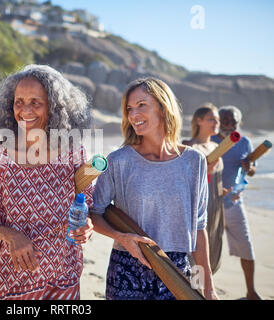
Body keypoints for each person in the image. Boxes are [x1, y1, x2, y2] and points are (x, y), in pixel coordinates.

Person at [0, 64, 94, 300]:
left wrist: (87, 227)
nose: (25, 110)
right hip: (15, 278)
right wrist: (12, 235)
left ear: (55, 108)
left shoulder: (73, 152)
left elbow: (86, 207)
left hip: (64, 275)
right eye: (19, 101)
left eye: (36, 102)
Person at [90, 77, 218, 300]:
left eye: (142, 105)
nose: (134, 115)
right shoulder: (119, 161)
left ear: (162, 106)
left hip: (176, 270)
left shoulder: (194, 161)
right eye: (130, 109)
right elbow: (94, 212)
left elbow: (199, 227)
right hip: (127, 269)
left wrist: (208, 288)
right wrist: (121, 237)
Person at [211, 105, 261, 300]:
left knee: (246, 246)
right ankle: (201, 290)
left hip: (234, 202)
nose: (229, 125)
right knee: (206, 250)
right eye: (225, 121)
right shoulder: (209, 140)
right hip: (210, 205)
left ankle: (251, 291)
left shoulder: (244, 142)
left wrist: (249, 167)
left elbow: (253, 170)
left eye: (234, 122)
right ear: (218, 121)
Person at [183, 103, 226, 274]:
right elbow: (184, 179)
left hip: (217, 203)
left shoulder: (217, 147)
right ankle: (194, 289)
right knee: (197, 250)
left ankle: (206, 287)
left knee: (214, 248)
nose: (216, 123)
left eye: (217, 120)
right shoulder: (189, 147)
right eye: (211, 119)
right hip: (199, 206)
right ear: (198, 121)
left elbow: (216, 178)